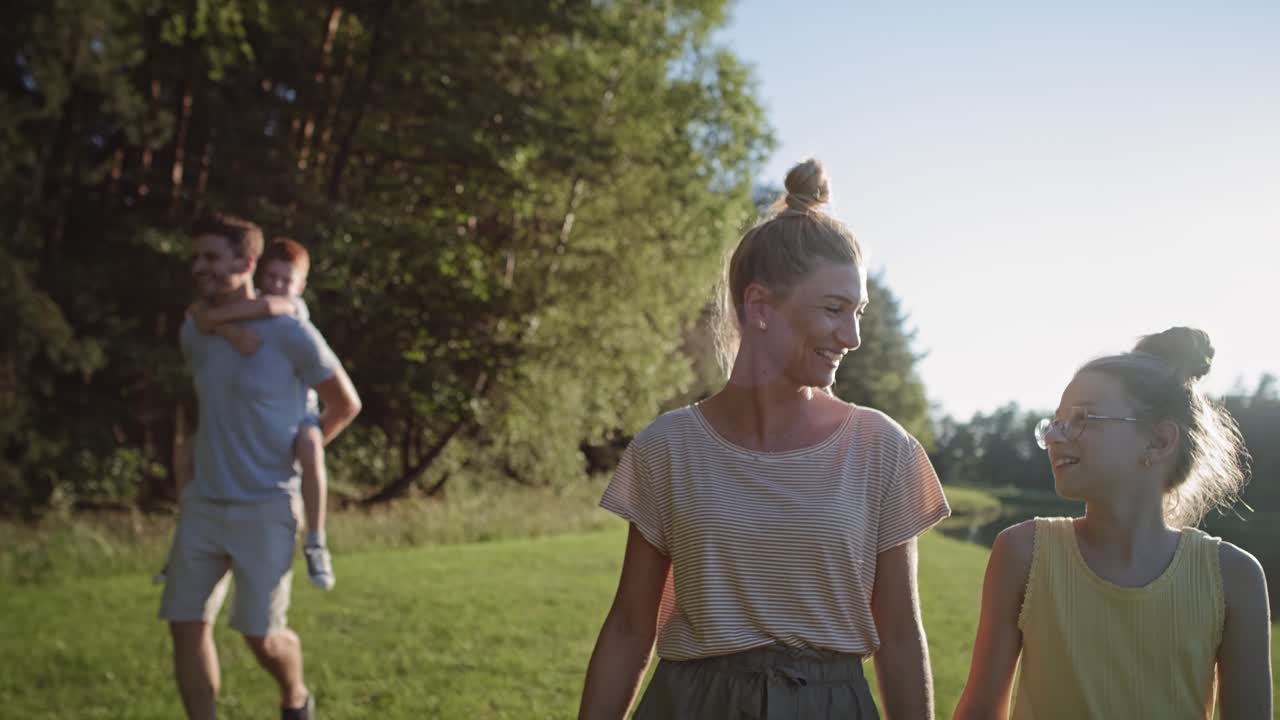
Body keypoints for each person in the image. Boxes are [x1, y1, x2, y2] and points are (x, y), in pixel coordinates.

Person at [577, 158, 951, 719]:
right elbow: (632, 627)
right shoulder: (668, 447)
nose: (851, 336)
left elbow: (900, 636)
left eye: (858, 312)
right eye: (833, 309)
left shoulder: (883, 449)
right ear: (759, 307)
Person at [953, 327, 1272, 719]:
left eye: (1082, 418)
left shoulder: (1234, 577)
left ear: (1158, 441)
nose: (1054, 436)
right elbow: (980, 710)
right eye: (1055, 422)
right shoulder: (1023, 553)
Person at [159, 214, 362, 720]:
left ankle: (295, 697)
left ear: (245, 263)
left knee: (260, 636)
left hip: (267, 505)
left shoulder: (290, 331)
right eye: (195, 257)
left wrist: (305, 450)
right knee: (185, 623)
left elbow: (345, 403)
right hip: (205, 504)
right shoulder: (194, 329)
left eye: (210, 257)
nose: (198, 267)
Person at [171, 237, 336, 590]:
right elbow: (200, 317)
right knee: (187, 452)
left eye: (286, 281)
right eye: (272, 277)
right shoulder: (239, 311)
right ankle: (181, 549)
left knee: (310, 449)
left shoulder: (292, 311)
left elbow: (266, 309)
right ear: (260, 274)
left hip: (301, 415)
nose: (277, 286)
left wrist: (215, 320)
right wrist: (227, 331)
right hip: (224, 476)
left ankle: (316, 541)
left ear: (301, 286)